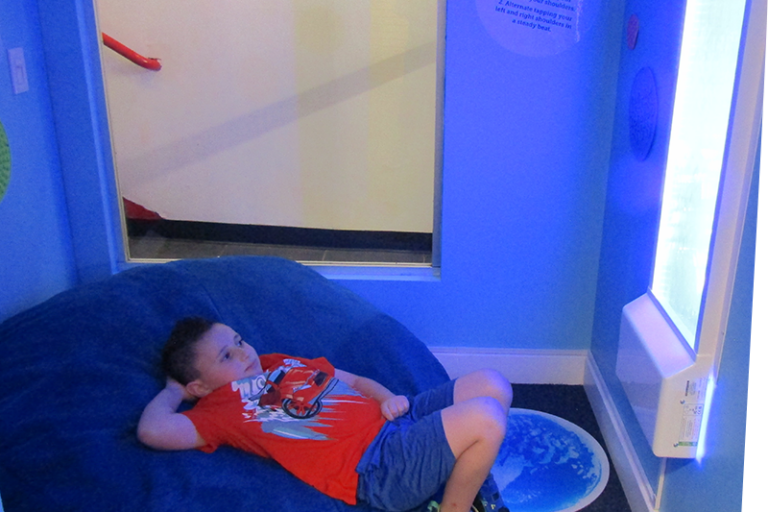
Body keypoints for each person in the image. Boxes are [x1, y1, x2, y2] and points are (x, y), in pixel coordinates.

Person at [138, 317, 512, 512]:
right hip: (380, 464)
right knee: (487, 417)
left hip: (396, 419)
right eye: (226, 356)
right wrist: (173, 390)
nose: (243, 352)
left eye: (238, 341)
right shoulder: (222, 409)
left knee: (494, 385)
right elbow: (153, 431)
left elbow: (356, 380)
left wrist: (388, 399)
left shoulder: (277, 362)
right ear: (200, 387)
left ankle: (470, 483)